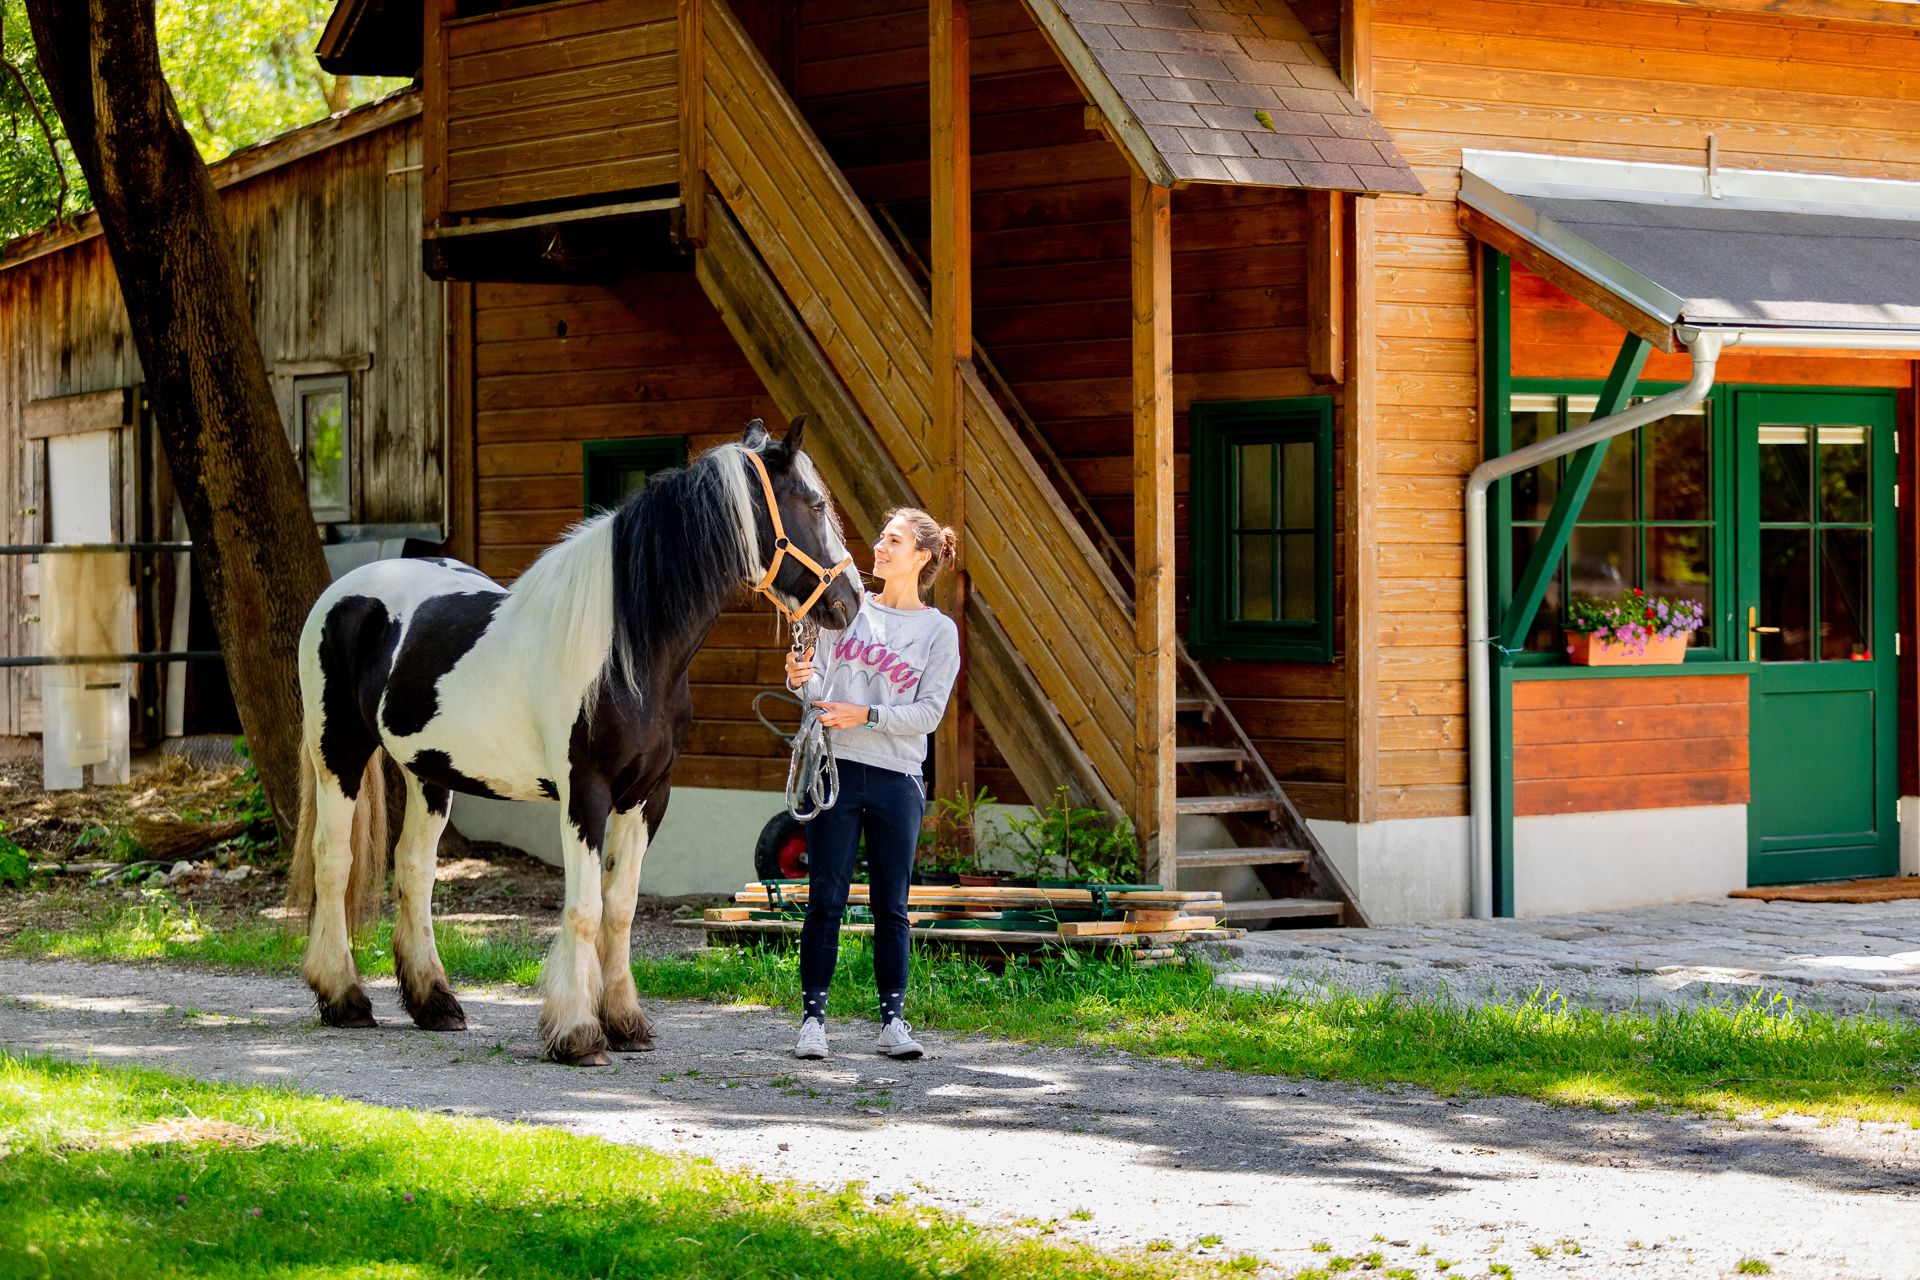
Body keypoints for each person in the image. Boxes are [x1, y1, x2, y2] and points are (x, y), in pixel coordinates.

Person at [784, 507, 960, 1061]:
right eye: (881, 539)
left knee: (892, 905)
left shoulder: (939, 631)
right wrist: (799, 680)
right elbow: (817, 694)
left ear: (923, 556)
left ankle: (893, 1024)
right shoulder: (847, 611)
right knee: (825, 900)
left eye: (894, 540)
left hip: (897, 779)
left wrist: (867, 716)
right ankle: (813, 1023)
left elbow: (929, 713)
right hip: (834, 768)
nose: (879, 548)